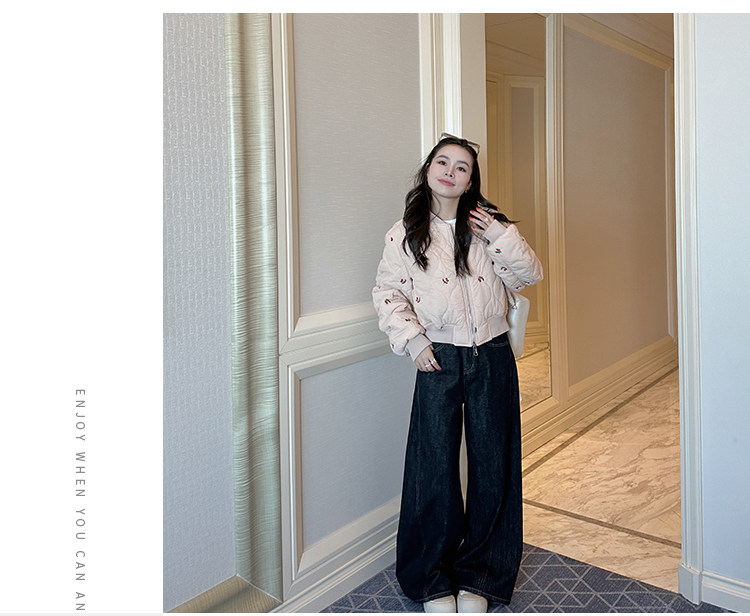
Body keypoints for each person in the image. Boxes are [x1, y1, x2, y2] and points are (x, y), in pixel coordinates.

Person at [372, 134, 543, 613]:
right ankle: (431, 580)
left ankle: (482, 579)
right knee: (433, 468)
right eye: (443, 162)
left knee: (494, 466)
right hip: (438, 356)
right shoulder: (405, 233)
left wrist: (500, 234)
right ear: (428, 170)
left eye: (462, 167)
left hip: (492, 353)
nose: (450, 171)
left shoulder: (487, 227)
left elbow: (529, 275)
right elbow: (388, 293)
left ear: (470, 181)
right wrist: (414, 340)